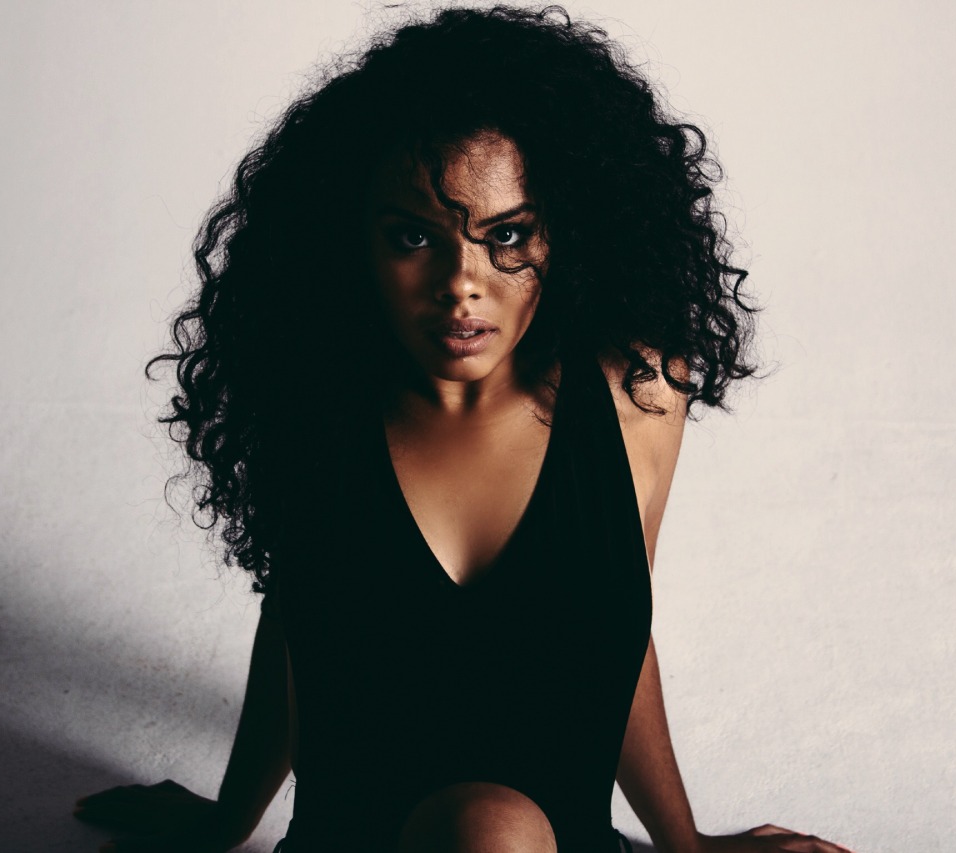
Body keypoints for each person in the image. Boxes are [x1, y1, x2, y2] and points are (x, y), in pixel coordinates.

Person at [75, 6, 852, 853]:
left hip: (552, 836)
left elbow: (619, 633)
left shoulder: (641, 392)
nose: (461, 284)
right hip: (360, 833)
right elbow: (300, 626)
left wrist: (687, 845)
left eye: (506, 236)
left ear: (565, 232)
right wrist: (226, 822)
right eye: (414, 236)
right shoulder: (316, 398)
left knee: (496, 833)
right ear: (353, 239)